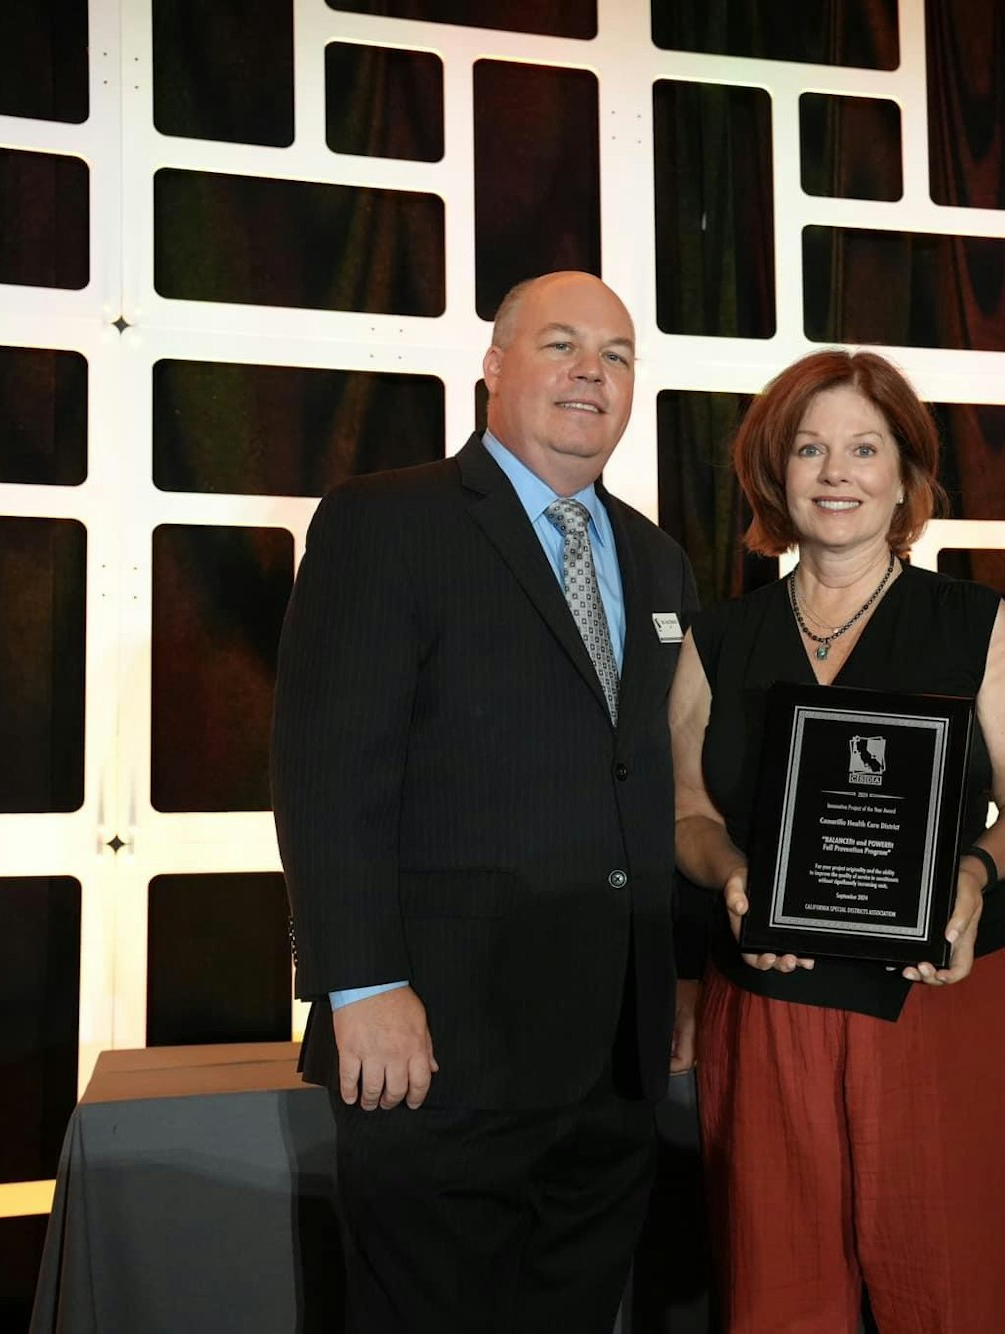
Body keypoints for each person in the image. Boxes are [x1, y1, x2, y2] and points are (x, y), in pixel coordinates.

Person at [271, 270, 701, 1332]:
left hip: (612, 1060)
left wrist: (677, 973)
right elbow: (328, 767)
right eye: (561, 345)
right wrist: (360, 981)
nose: (590, 374)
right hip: (438, 1047)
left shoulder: (657, 559)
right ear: (495, 366)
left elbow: (655, 780)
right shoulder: (387, 521)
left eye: (615, 356)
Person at [669, 348, 1005, 1333]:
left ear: (904, 478)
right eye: (809, 449)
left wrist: (973, 870)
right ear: (775, 473)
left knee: (955, 1292)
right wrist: (729, 877)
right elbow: (685, 812)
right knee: (777, 1297)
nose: (835, 471)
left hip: (945, 997)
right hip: (768, 996)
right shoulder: (714, 638)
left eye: (862, 448)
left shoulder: (976, 623)